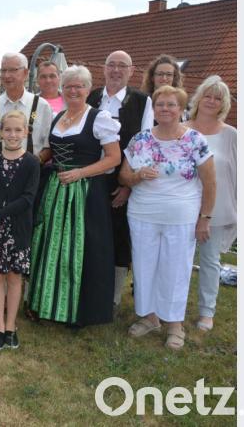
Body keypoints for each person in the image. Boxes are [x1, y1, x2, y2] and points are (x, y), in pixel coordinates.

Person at [119, 85, 216, 350]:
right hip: (142, 213)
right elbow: (124, 177)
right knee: (144, 266)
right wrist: (137, 176)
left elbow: (210, 182)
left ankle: (175, 324)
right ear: (154, 108)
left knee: (175, 270)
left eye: (171, 104)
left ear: (181, 109)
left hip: (181, 216)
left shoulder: (195, 140)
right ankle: (150, 317)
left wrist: (205, 218)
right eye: (160, 104)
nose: (165, 109)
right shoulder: (141, 139)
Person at [26, 65, 121, 327]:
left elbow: (114, 158)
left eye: (79, 86)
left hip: (84, 194)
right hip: (56, 190)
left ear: (88, 89)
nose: (73, 90)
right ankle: (43, 304)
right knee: (47, 245)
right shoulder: (59, 117)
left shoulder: (99, 118)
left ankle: (72, 311)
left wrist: (81, 173)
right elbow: (50, 151)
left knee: (77, 249)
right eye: (68, 86)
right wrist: (32, 161)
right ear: (62, 89)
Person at [86, 50, 154, 312]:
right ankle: (90, 289)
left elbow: (144, 145)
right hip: (91, 178)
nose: (115, 71)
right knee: (92, 235)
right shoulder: (92, 97)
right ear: (103, 69)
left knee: (119, 238)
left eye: (121, 66)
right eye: (111, 65)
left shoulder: (142, 101)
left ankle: (112, 298)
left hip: (121, 181)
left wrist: (128, 184)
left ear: (131, 71)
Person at [0, 111, 39, 350]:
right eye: (8, 130)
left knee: (14, 278)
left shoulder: (32, 163)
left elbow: (27, 199)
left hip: (18, 229)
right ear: (0, 133)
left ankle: (12, 326)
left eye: (18, 130)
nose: (12, 135)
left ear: (26, 132)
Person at [187, 76, 236, 332]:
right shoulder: (182, 129)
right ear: (199, 97)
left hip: (215, 208)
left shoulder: (231, 135)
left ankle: (207, 312)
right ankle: (172, 306)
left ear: (223, 104)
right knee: (178, 260)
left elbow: (238, 172)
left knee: (209, 260)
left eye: (218, 98)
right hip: (183, 205)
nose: (212, 101)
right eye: (208, 95)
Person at [0, 52, 53, 162]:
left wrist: (34, 164)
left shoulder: (42, 106)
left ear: (25, 73)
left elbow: (49, 145)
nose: (6, 75)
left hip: (33, 174)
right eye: (3, 70)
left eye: (13, 70)